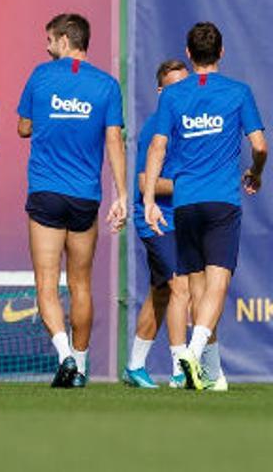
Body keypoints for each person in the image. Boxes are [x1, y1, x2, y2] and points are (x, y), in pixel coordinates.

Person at [143, 22, 266, 391]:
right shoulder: (238, 92)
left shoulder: (172, 96)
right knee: (217, 285)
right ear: (222, 53)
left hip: (185, 202)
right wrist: (256, 173)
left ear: (189, 52)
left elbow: (156, 148)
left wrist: (149, 199)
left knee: (196, 288)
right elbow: (260, 146)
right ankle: (192, 355)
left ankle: (214, 376)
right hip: (221, 201)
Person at [17, 13, 127, 388]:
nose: (46, 48)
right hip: (85, 197)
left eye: (50, 40)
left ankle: (64, 356)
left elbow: (22, 127)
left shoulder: (41, 76)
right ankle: (78, 366)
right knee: (81, 284)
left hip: (47, 192)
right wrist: (123, 194)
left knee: (47, 284)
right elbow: (114, 141)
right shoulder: (107, 85)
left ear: (65, 40)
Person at [123, 59, 191, 389]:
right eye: (176, 86)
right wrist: (193, 187)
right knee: (179, 287)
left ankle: (135, 365)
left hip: (185, 220)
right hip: (155, 218)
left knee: (161, 292)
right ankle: (182, 370)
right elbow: (141, 180)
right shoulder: (154, 127)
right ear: (161, 92)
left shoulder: (193, 127)